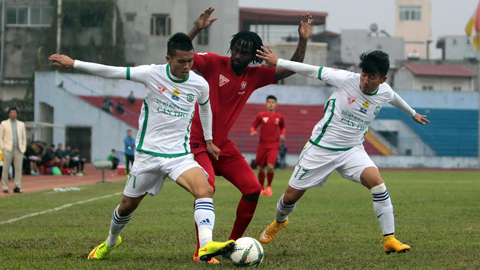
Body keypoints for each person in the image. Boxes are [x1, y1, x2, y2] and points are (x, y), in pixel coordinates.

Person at [49, 32, 235, 262]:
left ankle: (206, 245)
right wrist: (74, 63)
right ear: (168, 58)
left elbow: (205, 109)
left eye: (190, 61)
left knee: (205, 190)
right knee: (126, 207)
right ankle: (110, 241)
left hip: (179, 155)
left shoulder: (199, 84)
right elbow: (112, 71)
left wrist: (208, 139)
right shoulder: (151, 73)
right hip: (148, 156)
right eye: (181, 61)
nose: (187, 66)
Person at [255, 47, 430, 254]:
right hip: (320, 148)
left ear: (382, 79)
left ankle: (390, 238)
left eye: (371, 77)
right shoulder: (346, 79)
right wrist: (279, 61)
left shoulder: (384, 91)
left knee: (377, 183)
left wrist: (412, 114)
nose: (365, 81)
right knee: (290, 197)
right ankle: (279, 221)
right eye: (364, 75)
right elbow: (312, 70)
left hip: (352, 150)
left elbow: (394, 98)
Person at [186, 7, 312, 263]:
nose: (238, 56)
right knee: (206, 189)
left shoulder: (255, 76)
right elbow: (181, 54)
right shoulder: (212, 62)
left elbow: (291, 69)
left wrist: (303, 39)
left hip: (222, 145)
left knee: (253, 190)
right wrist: (197, 29)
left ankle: (231, 245)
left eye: (245, 52)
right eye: (236, 49)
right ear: (231, 48)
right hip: (198, 141)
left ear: (253, 56)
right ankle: (202, 250)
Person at [250, 95, 285, 196]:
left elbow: (283, 127)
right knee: (261, 168)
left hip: (274, 145)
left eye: (273, 102)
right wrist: (252, 131)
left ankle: (269, 186)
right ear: (266, 104)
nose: (271, 104)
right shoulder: (261, 115)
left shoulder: (280, 117)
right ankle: (261, 188)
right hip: (262, 145)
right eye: (269, 102)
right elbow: (253, 125)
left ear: (276, 104)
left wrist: (282, 134)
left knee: (270, 166)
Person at [0, 107, 27, 194]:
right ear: (9, 114)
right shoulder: (4, 124)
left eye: (14, 112)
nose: (13, 114)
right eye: (11, 112)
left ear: (17, 114)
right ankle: (5, 186)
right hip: (8, 149)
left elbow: (23, 137)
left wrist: (23, 147)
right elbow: (1, 137)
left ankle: (17, 186)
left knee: (18, 169)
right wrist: (3, 147)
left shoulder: (21, 124)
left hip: (18, 149)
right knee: (6, 168)